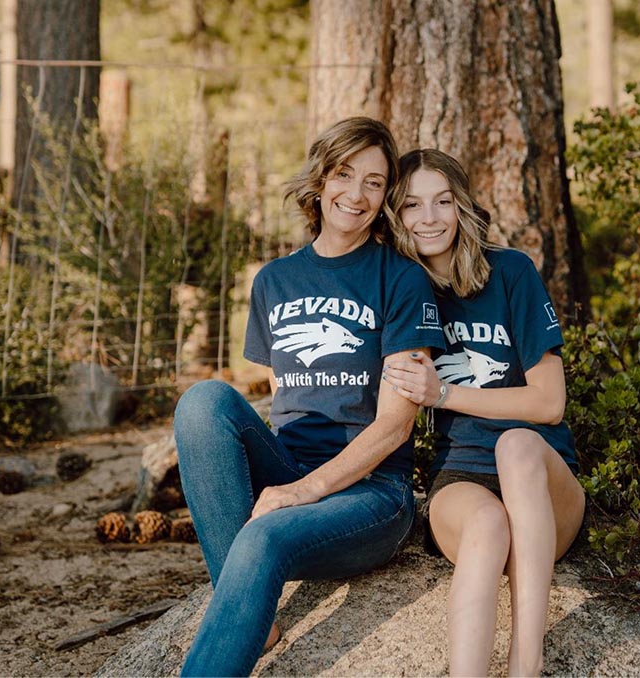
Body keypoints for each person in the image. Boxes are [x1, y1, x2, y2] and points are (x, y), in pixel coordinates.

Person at [173, 119, 445, 677]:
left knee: (265, 532)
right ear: (321, 179)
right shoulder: (274, 280)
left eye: (375, 182)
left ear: (386, 196)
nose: (357, 194)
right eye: (345, 174)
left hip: (371, 494)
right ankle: (251, 612)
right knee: (202, 401)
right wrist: (287, 482)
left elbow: (396, 426)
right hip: (292, 466)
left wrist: (303, 492)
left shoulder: (402, 280)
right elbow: (283, 398)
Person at [382, 148, 585, 676]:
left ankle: (526, 664)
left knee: (515, 444)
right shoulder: (403, 291)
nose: (429, 218)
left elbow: (548, 402)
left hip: (543, 480)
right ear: (394, 216)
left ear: (462, 206)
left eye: (442, 201)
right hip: (460, 476)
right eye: (411, 206)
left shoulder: (511, 271)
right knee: (489, 524)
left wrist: (444, 395)